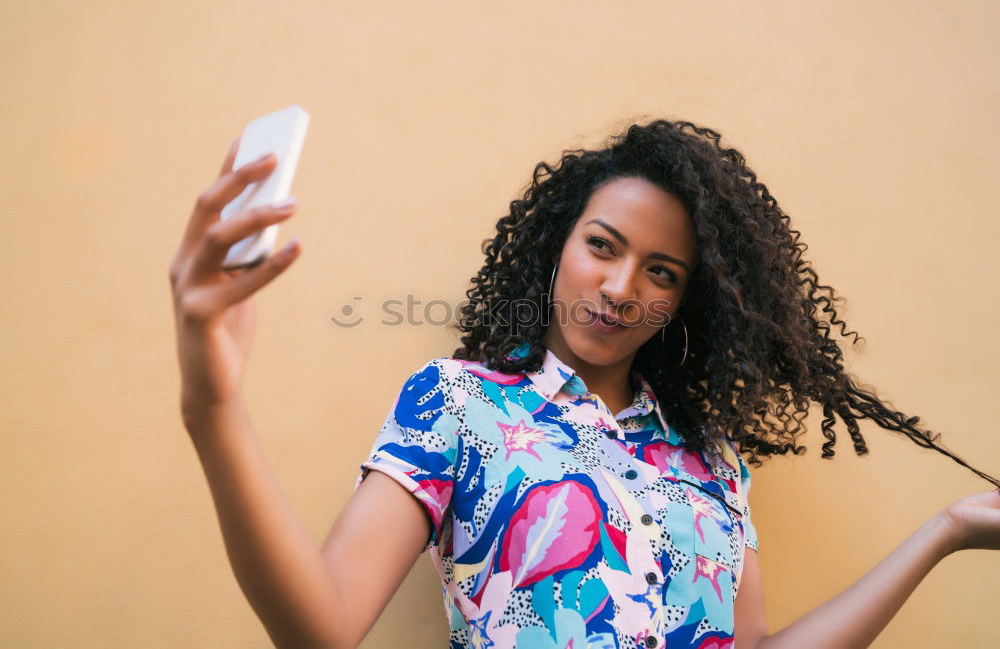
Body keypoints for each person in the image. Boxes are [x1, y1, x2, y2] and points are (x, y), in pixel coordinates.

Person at [170, 119, 1000, 648]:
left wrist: (944, 533)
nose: (619, 286)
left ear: (685, 302)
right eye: (603, 245)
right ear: (557, 247)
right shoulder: (458, 404)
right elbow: (320, 628)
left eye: (661, 271)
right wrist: (214, 406)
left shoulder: (713, 463)